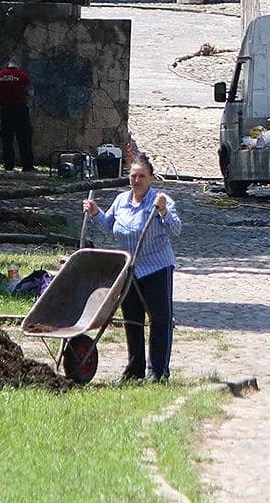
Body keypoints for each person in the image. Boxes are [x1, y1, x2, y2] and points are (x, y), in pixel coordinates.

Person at [82, 155, 181, 382]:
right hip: (130, 269)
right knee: (132, 320)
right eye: (133, 176)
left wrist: (164, 211)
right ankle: (134, 371)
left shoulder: (160, 199)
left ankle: (158, 371)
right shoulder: (121, 201)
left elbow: (176, 229)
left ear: (151, 179)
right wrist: (96, 212)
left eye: (142, 176)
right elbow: (109, 226)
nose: (136, 180)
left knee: (160, 319)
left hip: (156, 267)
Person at [0, 58, 35, 172]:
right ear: (17, 65)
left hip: (5, 109)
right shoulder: (22, 76)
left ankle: (8, 164)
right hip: (20, 109)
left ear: (7, 65)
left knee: (7, 138)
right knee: (24, 137)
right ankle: (27, 165)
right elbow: (30, 92)